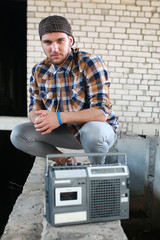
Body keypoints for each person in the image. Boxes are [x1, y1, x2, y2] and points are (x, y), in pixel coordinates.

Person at [10, 15, 118, 165]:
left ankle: (96, 171)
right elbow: (33, 108)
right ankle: (66, 161)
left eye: (60, 40)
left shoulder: (90, 63)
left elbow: (101, 112)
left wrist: (59, 118)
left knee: (93, 133)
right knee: (18, 134)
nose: (54, 48)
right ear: (41, 43)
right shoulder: (39, 70)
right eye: (47, 42)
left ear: (70, 41)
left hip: (95, 130)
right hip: (63, 132)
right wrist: (39, 120)